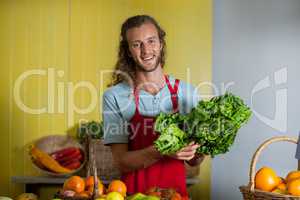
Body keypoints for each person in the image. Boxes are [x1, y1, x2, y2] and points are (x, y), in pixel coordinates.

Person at [102, 15, 204, 197]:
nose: (146, 50)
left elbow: (195, 162)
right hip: (133, 196)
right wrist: (162, 149)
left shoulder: (187, 93)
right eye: (136, 44)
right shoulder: (114, 96)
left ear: (161, 43)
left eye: (151, 41)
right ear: (127, 51)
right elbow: (121, 162)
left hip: (176, 196)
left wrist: (197, 150)